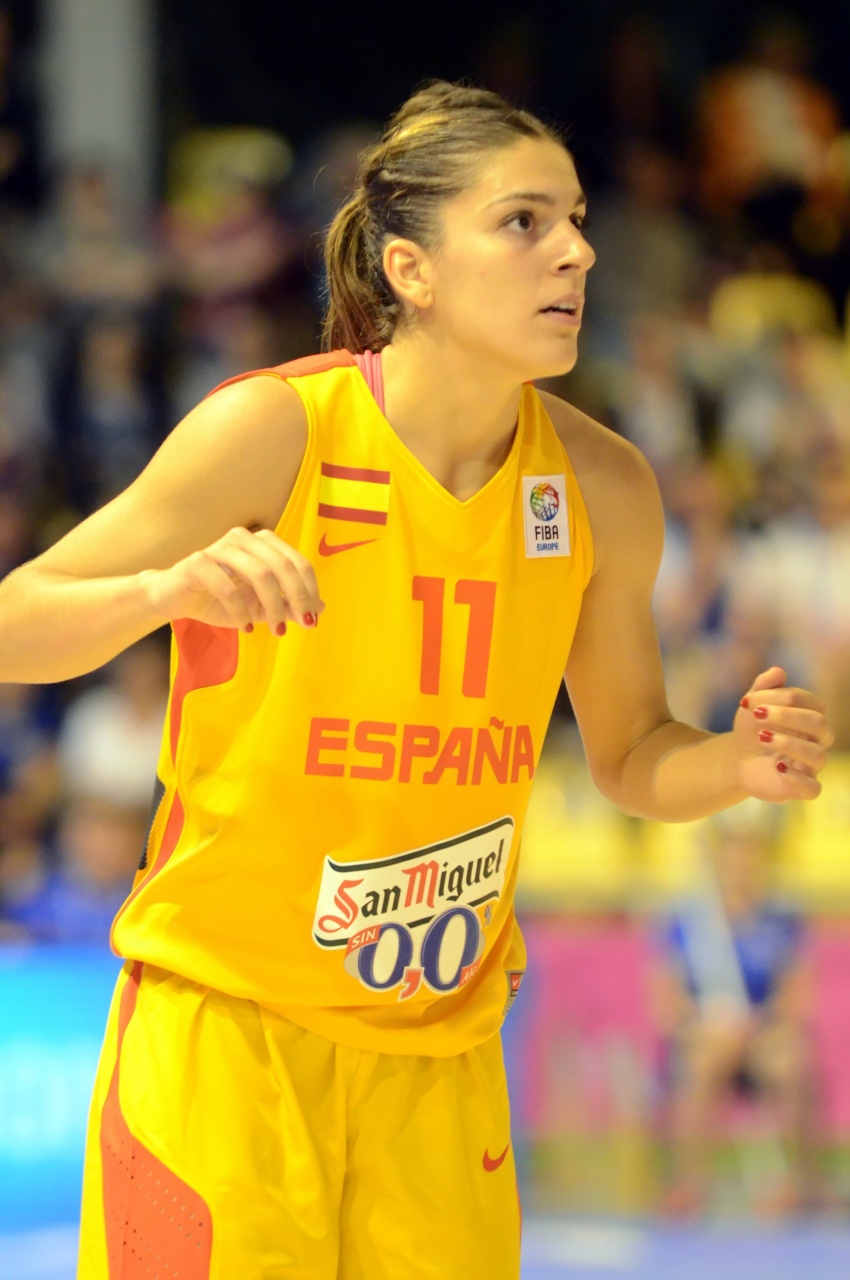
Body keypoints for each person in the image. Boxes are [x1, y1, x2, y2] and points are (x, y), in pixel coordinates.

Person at [0, 81, 833, 1280]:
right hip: (229, 1045)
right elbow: (17, 618)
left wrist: (733, 764)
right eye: (523, 221)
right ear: (412, 268)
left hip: (440, 1065)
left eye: (576, 218)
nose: (577, 250)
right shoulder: (273, 431)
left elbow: (629, 752)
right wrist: (162, 592)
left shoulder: (602, 488)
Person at [652, 803, 819, 1218]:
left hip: (763, 1036)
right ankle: (689, 1185)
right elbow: (667, 1001)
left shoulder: (782, 919)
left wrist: (757, 1027)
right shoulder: (689, 921)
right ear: (720, 860)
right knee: (701, 1063)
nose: (742, 864)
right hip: (707, 1036)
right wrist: (703, 1028)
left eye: (751, 854)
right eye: (734, 854)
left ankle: (799, 1184)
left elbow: (794, 996)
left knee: (792, 1063)